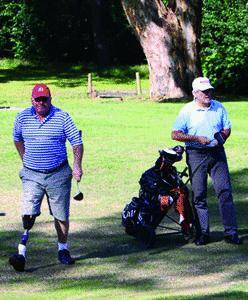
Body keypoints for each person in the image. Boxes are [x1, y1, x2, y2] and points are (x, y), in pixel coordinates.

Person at [9, 83, 83, 271]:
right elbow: (17, 139)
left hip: (58, 174)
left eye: (45, 99)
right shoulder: (22, 117)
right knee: (28, 213)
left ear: (50, 99)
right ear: (32, 100)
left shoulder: (62, 117)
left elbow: (77, 142)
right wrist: (25, 159)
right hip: (31, 174)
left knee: (60, 214)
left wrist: (76, 166)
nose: (41, 102)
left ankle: (63, 249)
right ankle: (21, 253)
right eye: (38, 99)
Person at [171, 77, 241, 246]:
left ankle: (231, 232)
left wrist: (221, 138)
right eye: (204, 91)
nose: (208, 94)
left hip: (217, 153)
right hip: (196, 154)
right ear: (195, 93)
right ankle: (203, 233)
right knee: (199, 194)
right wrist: (195, 138)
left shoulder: (219, 107)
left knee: (225, 192)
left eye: (209, 90)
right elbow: (175, 134)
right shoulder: (187, 111)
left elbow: (227, 127)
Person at [122, 146, 193, 248]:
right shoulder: (150, 174)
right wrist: (165, 195)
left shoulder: (172, 172)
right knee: (166, 200)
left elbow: (181, 188)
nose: (170, 163)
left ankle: (187, 226)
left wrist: (175, 192)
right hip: (151, 202)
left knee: (182, 195)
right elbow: (151, 189)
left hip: (164, 200)